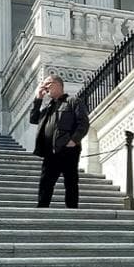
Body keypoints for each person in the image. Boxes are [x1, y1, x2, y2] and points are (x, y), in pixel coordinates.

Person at [28, 74, 89, 209]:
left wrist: (73, 141)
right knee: (45, 182)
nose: (45, 86)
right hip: (50, 152)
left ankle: (72, 210)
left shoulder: (73, 102)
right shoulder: (48, 108)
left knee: (71, 181)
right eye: (44, 84)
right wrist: (38, 98)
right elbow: (33, 118)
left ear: (58, 85)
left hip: (68, 150)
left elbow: (83, 123)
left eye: (48, 83)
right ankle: (42, 210)